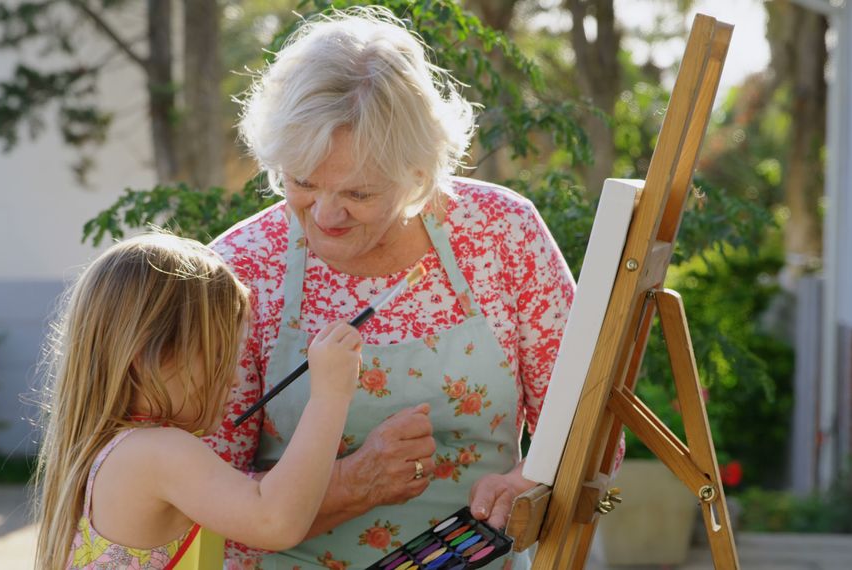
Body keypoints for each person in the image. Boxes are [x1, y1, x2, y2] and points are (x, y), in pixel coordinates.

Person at [206, 7, 612, 569]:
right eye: (301, 182)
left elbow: (590, 431)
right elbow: (196, 506)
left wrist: (530, 483)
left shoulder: (499, 232)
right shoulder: (239, 269)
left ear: (419, 172)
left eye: (360, 193)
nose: (325, 215)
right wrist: (352, 484)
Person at [32, 233, 364, 569]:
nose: (234, 380)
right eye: (220, 356)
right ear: (152, 354)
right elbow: (274, 521)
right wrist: (329, 397)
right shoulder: (157, 451)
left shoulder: (108, 449)